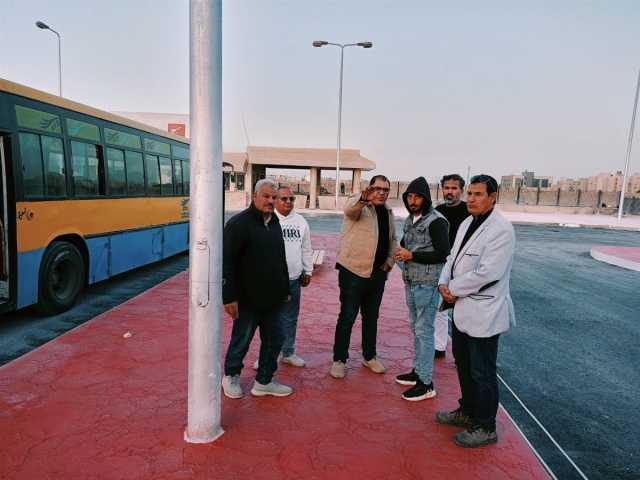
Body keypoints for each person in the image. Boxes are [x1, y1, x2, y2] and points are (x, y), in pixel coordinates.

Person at [435, 174, 516, 448]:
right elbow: (452, 258)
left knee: (482, 371)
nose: (470, 199)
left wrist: (453, 288)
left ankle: (485, 426)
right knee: (465, 366)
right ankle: (468, 411)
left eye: (478, 194)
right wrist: (443, 282)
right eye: (469, 193)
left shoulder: (501, 229)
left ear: (493, 197)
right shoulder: (468, 222)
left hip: (484, 311)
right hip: (461, 308)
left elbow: (488, 273)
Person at [221, 179, 293, 399]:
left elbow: (280, 258)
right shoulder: (238, 224)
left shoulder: (274, 222)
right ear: (254, 196)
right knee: (241, 340)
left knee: (275, 340)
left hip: (274, 298)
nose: (271, 201)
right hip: (247, 299)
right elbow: (227, 263)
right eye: (266, 196)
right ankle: (231, 376)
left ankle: (264, 381)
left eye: (274, 197)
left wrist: (285, 289)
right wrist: (229, 297)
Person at [330, 175, 397, 379]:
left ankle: (369, 356)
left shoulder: (388, 212)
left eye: (385, 190)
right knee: (347, 317)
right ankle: (339, 360)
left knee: (371, 318)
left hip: (378, 274)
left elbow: (393, 239)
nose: (381, 193)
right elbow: (349, 210)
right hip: (353, 272)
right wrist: (363, 198)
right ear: (369, 188)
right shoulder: (359, 205)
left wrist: (389, 262)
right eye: (377, 188)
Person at [393, 177, 450, 401]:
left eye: (417, 197)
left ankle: (426, 383)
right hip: (411, 282)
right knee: (416, 329)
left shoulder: (436, 222)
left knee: (424, 332)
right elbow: (405, 245)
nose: (413, 201)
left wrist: (412, 255)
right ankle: (418, 371)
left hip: (427, 284)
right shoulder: (411, 219)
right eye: (409, 196)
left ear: (425, 199)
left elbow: (443, 254)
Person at [253, 186, 313, 369]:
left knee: (290, 318)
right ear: (275, 199)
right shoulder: (267, 219)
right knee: (268, 320)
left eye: (291, 199)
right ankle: (266, 356)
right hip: (270, 281)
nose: (288, 202)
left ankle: (288, 352)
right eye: (284, 198)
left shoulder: (301, 222)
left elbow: (306, 248)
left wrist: (308, 270)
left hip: (293, 279)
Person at [433, 174, 470, 358]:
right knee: (439, 308)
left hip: (464, 267)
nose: (450, 191)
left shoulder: (469, 212)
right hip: (442, 265)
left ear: (461, 190)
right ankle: (439, 347)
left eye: (454, 188)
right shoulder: (437, 212)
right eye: (447, 188)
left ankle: (463, 353)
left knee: (462, 310)